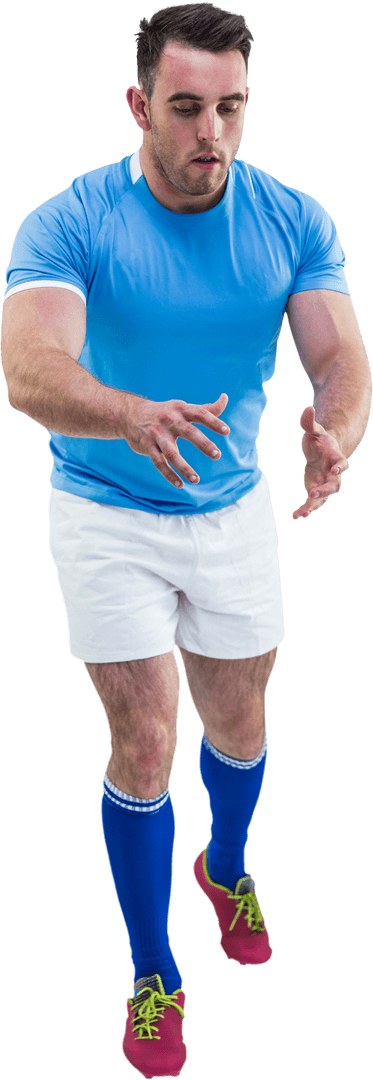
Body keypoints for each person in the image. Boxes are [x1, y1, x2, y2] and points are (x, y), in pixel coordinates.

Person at [1, 4, 371, 1077]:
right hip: (106, 509)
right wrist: (126, 412)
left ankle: (226, 865)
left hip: (231, 510)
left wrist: (331, 434)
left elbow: (339, 359)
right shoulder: (67, 222)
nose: (211, 130)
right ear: (139, 107)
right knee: (148, 740)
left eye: (230, 108)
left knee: (239, 720)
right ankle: (152, 974)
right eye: (186, 107)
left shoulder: (293, 218)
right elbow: (28, 368)